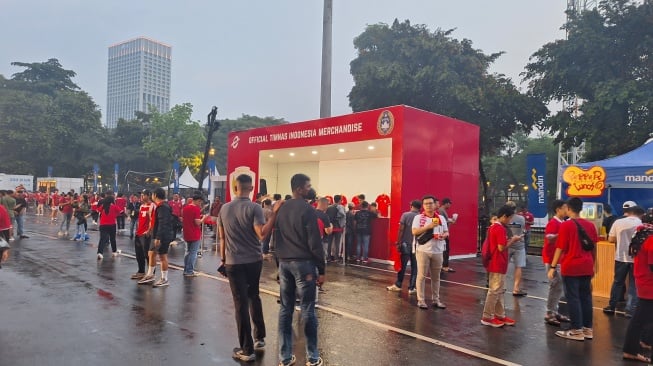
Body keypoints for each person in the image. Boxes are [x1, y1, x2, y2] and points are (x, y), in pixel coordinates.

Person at [219, 174, 279, 362]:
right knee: (254, 295)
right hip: (254, 260)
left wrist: (223, 259)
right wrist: (275, 214)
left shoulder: (224, 208)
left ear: (235, 188)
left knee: (240, 303)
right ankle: (259, 337)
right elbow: (261, 234)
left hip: (233, 261)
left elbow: (222, 238)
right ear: (251, 188)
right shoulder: (254, 208)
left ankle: (247, 349)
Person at [275, 173, 325, 366]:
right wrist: (321, 269)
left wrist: (279, 266)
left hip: (285, 263)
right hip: (304, 264)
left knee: (285, 309)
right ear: (298, 189)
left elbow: (276, 238)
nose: (309, 189)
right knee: (308, 309)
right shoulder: (308, 210)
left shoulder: (282, 209)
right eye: (307, 186)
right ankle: (312, 357)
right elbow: (315, 242)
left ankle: (285, 357)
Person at [548, 197, 598, 341]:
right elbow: (594, 248)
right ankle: (588, 329)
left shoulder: (566, 225)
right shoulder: (590, 225)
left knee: (573, 298)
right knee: (586, 297)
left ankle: (576, 330)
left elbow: (560, 248)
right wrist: (594, 264)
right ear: (581, 208)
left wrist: (552, 266)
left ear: (569, 208)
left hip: (571, 265)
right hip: (587, 265)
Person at [481, 205, 523, 327]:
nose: (510, 221)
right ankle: (487, 316)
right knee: (495, 291)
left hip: (497, 263)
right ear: (504, 216)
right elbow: (501, 247)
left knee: (499, 290)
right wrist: (513, 240)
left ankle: (500, 314)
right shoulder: (499, 229)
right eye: (509, 218)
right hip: (497, 263)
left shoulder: (494, 227)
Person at [603, 204, 645, 317]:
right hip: (635, 258)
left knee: (617, 282)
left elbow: (611, 239)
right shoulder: (641, 224)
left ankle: (611, 306)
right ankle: (629, 309)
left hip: (620, 257)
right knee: (633, 284)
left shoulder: (618, 222)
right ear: (640, 214)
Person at [622, 217, 653, 363]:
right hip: (649, 283)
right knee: (639, 319)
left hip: (643, 279)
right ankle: (630, 350)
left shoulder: (642, 233)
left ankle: (646, 341)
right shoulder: (651, 238)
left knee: (646, 315)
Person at [411, 195, 448, 309]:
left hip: (438, 250)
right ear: (423, 206)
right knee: (421, 276)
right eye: (426, 204)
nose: (428, 206)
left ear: (435, 205)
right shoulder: (418, 218)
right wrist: (429, 226)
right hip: (423, 250)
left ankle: (436, 300)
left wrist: (443, 236)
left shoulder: (441, 218)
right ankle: (421, 300)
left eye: (431, 203)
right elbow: (414, 232)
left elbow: (447, 232)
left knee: (436, 277)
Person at [138, 188, 175, 287]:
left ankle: (164, 278)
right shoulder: (160, 206)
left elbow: (163, 223)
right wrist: (151, 231)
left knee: (162, 256)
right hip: (156, 234)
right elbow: (156, 222)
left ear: (155, 195)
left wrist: (158, 237)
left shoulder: (163, 207)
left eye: (152, 194)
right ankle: (150, 274)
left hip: (162, 235)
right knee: (151, 253)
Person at [543, 199, 571, 326]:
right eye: (565, 207)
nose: (567, 210)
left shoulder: (563, 222)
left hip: (559, 258)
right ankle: (549, 312)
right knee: (555, 285)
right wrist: (562, 234)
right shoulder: (553, 223)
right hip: (551, 258)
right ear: (558, 209)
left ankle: (554, 310)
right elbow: (549, 238)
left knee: (559, 287)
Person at [387, 200, 421, 294]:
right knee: (415, 267)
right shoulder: (421, 217)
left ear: (411, 206)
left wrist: (398, 242)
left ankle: (398, 284)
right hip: (417, 245)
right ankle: (412, 288)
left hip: (406, 243)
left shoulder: (405, 215)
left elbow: (401, 229)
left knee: (403, 265)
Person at [505, 201, 528, 296]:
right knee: (518, 267)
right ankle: (516, 289)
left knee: (504, 266)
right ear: (515, 209)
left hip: (508, 243)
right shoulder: (521, 218)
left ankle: (501, 285)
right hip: (519, 244)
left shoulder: (505, 218)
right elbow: (523, 229)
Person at [182, 192, 208, 277]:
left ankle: (186, 269)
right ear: (198, 200)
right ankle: (189, 271)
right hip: (194, 233)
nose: (200, 204)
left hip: (186, 233)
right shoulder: (196, 209)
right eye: (200, 202)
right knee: (193, 253)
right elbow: (197, 223)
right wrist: (203, 218)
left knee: (187, 252)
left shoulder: (185, 208)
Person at [131, 190, 154, 280]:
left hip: (146, 234)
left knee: (148, 255)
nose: (141, 197)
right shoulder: (141, 206)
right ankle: (141, 271)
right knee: (139, 254)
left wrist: (149, 231)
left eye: (143, 195)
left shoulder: (152, 206)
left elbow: (153, 220)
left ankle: (150, 273)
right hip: (139, 233)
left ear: (148, 195)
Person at [96, 195, 122, 260]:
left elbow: (97, 210)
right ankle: (114, 252)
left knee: (102, 239)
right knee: (112, 239)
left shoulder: (103, 207)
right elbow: (121, 212)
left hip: (103, 225)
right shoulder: (114, 206)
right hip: (112, 225)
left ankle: (100, 253)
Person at [439, 198, 457, 273]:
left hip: (444, 233)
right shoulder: (441, 210)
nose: (450, 205)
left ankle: (443, 265)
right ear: (446, 203)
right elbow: (441, 221)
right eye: (449, 203)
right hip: (443, 234)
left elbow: (444, 221)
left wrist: (451, 220)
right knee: (446, 250)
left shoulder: (442, 211)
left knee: (444, 250)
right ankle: (445, 266)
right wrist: (451, 221)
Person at [326, 195, 346, 262]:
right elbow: (343, 215)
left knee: (329, 242)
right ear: (340, 200)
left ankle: (328, 257)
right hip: (337, 226)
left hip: (329, 226)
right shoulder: (340, 207)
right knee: (337, 243)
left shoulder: (329, 207)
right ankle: (336, 257)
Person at [315, 197, 333, 263]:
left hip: (312, 241)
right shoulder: (324, 216)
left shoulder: (310, 213)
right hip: (323, 241)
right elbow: (328, 231)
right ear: (325, 205)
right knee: (321, 260)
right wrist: (331, 226)